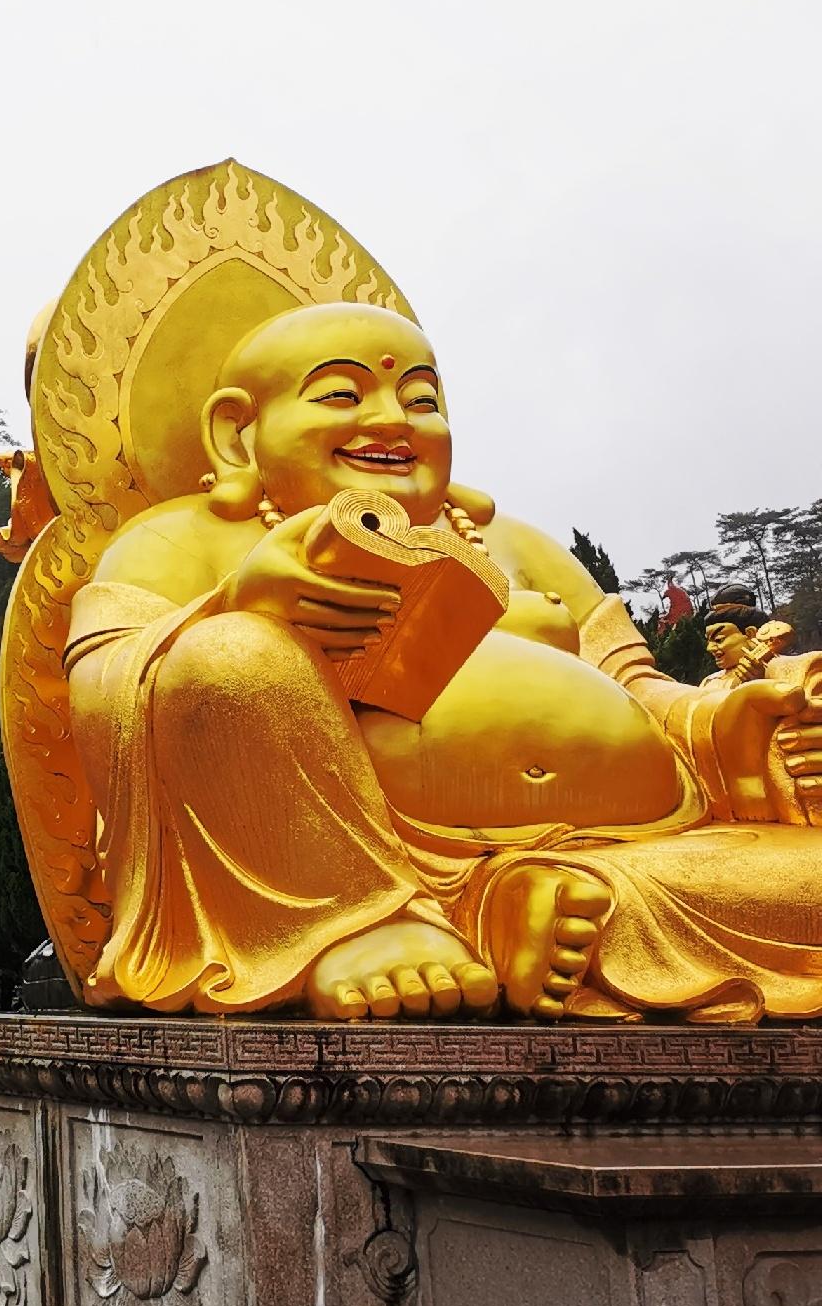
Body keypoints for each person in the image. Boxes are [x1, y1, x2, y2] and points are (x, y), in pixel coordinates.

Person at [68, 303, 822, 1023]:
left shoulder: (520, 547)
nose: (393, 420)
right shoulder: (180, 542)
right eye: (340, 393)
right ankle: (361, 925)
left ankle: (527, 911)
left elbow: (639, 691)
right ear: (237, 433)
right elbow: (102, 698)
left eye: (421, 399)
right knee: (225, 656)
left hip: (650, 846)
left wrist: (730, 721)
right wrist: (233, 603)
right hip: (373, 869)